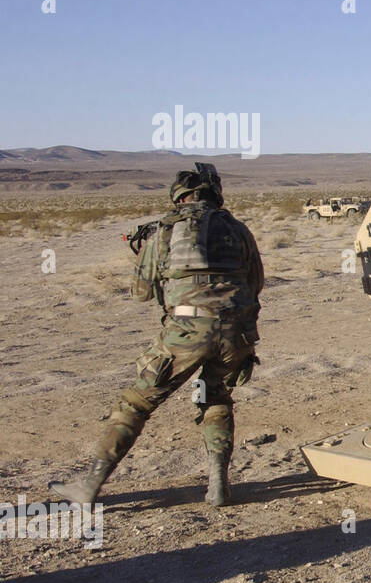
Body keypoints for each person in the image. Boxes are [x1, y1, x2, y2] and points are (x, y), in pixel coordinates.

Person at [49, 163, 263, 508]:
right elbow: (257, 283)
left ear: (179, 196)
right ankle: (218, 487)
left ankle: (89, 486)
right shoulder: (239, 230)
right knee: (216, 397)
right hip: (237, 331)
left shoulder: (166, 230)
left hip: (187, 331)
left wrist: (148, 260)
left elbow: (141, 292)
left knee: (136, 402)